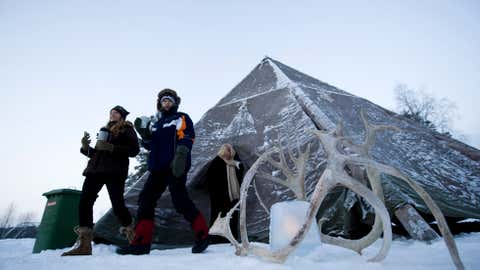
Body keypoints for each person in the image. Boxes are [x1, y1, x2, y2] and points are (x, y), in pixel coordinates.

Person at [116, 89, 209, 255]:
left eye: (169, 100)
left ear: (175, 103)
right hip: (157, 168)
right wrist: (145, 135)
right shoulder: (157, 123)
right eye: (164, 101)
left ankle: (202, 235)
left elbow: (188, 136)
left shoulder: (181, 117)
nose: (166, 103)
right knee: (145, 199)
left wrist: (181, 155)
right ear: (160, 104)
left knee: (180, 200)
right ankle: (141, 243)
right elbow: (151, 145)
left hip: (175, 165)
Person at [62, 105, 140, 256]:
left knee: (118, 205)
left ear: (122, 116)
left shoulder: (127, 129)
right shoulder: (104, 131)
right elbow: (97, 154)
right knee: (85, 202)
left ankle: (134, 238)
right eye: (111, 112)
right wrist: (85, 147)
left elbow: (134, 150)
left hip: (114, 172)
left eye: (116, 113)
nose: (112, 114)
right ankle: (84, 245)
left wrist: (111, 147)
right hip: (95, 171)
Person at [206, 144, 244, 244]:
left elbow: (240, 174)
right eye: (225, 150)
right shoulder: (217, 161)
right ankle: (216, 240)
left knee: (233, 217)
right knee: (219, 217)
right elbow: (210, 178)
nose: (227, 152)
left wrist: (236, 166)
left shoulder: (236, 162)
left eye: (229, 150)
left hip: (233, 196)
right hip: (219, 196)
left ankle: (231, 238)